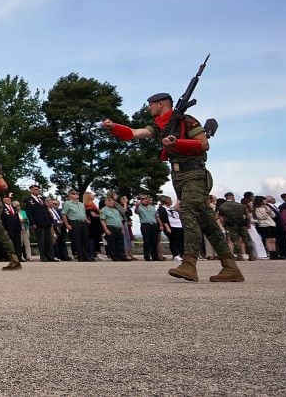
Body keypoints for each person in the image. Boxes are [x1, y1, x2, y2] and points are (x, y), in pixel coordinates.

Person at [103, 92, 242, 282]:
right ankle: (230, 267)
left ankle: (189, 264)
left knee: (188, 212)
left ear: (161, 104)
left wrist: (177, 142)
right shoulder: (160, 125)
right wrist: (114, 127)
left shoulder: (187, 120)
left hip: (195, 174)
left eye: (151, 104)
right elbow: (135, 133)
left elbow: (203, 144)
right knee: (207, 222)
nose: (149, 108)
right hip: (179, 176)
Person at [216, 192, 253, 261]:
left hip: (231, 225)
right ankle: (251, 256)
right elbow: (248, 216)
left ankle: (240, 256)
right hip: (242, 224)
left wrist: (224, 225)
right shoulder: (241, 205)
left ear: (226, 198)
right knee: (247, 240)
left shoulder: (222, 206)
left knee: (235, 241)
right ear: (232, 197)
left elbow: (221, 217)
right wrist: (248, 224)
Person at [25, 185, 53, 262]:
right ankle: (43, 256)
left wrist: (50, 219)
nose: (37, 190)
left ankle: (50, 256)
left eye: (38, 189)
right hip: (38, 222)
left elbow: (47, 209)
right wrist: (32, 223)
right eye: (35, 189)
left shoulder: (42, 199)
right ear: (31, 190)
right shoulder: (28, 200)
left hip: (47, 221)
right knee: (41, 240)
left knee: (49, 240)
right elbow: (29, 213)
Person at [61, 190, 90, 262]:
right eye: (73, 194)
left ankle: (86, 256)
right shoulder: (68, 203)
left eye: (77, 193)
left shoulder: (81, 204)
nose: (76, 195)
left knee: (85, 240)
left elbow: (83, 213)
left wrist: (86, 220)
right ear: (69, 195)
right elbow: (64, 214)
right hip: (74, 222)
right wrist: (67, 224)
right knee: (77, 240)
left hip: (83, 223)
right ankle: (80, 257)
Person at [136, 194, 163, 261]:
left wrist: (161, 225)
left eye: (145, 199)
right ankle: (147, 256)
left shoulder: (152, 207)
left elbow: (157, 216)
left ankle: (155, 256)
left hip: (154, 225)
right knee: (146, 241)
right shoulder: (139, 207)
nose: (144, 200)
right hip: (145, 225)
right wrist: (137, 205)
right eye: (142, 199)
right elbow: (136, 211)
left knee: (154, 241)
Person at [100, 194, 126, 261]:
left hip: (119, 228)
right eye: (108, 201)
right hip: (110, 228)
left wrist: (122, 229)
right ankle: (114, 257)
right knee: (112, 244)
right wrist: (106, 229)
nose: (111, 202)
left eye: (111, 200)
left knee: (120, 243)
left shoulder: (116, 210)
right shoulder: (103, 210)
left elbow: (121, 220)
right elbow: (102, 220)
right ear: (105, 202)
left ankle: (122, 257)